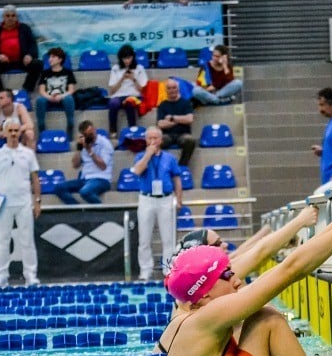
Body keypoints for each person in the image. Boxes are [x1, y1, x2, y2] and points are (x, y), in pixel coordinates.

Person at [159, 191, 332, 356]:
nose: (237, 279)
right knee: (267, 319)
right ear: (203, 295)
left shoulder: (204, 311)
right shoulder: (203, 320)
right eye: (226, 274)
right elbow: (290, 270)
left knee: (262, 319)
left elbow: (290, 267)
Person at [175, 204, 320, 282]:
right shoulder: (216, 280)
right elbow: (259, 253)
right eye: (218, 243)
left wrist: (268, 231)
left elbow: (243, 252)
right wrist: (301, 220)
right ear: (205, 254)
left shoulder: (206, 278)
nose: (225, 245)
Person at [0, 119, 42, 288]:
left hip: (24, 202)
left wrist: (37, 201)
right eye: (10, 131)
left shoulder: (28, 154)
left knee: (27, 240)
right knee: (3, 240)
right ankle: (1, 275)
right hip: (3, 204)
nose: (13, 134)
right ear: (3, 133)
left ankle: (30, 275)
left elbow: (35, 179)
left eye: (16, 130)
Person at [130, 126, 183, 280]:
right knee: (144, 238)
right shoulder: (140, 156)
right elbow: (138, 171)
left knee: (168, 237)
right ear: (145, 140)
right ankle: (146, 270)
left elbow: (177, 178)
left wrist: (179, 199)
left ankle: (168, 270)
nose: (153, 141)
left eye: (155, 138)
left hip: (166, 199)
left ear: (161, 139)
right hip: (146, 199)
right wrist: (148, 155)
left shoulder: (169, 158)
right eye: (149, 138)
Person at [0, 5, 43, 95]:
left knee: (37, 64)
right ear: (3, 17)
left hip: (22, 61)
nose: (10, 18)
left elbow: (32, 44)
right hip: (4, 63)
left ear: (16, 17)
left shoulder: (25, 28)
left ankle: (26, 90)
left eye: (13, 15)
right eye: (7, 16)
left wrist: (29, 55)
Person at [54, 120, 113, 204]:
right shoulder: (84, 144)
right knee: (59, 187)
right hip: (84, 179)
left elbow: (103, 166)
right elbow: (75, 165)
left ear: (94, 130)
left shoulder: (104, 143)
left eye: (91, 134)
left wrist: (90, 151)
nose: (90, 137)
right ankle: (77, 210)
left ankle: (102, 211)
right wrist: (79, 148)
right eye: (87, 135)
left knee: (85, 192)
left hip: (102, 179)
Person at [0, 88, 35, 173]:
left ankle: (31, 170)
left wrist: (12, 131)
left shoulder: (19, 107)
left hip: (17, 137)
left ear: (9, 99)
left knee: (29, 133)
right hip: (0, 137)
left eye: (1, 98)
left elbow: (30, 124)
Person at [107, 44, 148, 138]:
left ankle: (132, 131)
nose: (127, 61)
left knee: (130, 103)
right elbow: (112, 90)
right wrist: (122, 79)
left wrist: (133, 79)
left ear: (133, 57)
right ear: (120, 58)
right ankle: (113, 131)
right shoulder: (115, 68)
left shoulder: (139, 68)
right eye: (124, 58)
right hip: (118, 95)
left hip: (134, 95)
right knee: (113, 103)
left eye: (129, 58)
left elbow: (142, 90)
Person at [35, 47, 77, 135]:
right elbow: (41, 91)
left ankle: (70, 125)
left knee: (69, 98)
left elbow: (71, 90)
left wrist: (61, 96)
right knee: (40, 100)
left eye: (53, 57)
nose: (50, 59)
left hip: (63, 97)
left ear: (60, 59)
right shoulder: (45, 73)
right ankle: (42, 128)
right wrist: (49, 97)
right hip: (49, 97)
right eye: (49, 57)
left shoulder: (68, 72)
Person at [155, 79, 197, 166]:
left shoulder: (186, 103)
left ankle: (182, 166)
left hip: (183, 134)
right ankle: (162, 166)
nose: (172, 90)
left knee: (190, 140)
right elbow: (160, 124)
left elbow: (189, 120)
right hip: (167, 135)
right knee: (155, 142)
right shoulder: (162, 105)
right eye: (169, 88)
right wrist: (180, 120)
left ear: (178, 89)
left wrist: (172, 118)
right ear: (166, 90)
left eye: (174, 88)